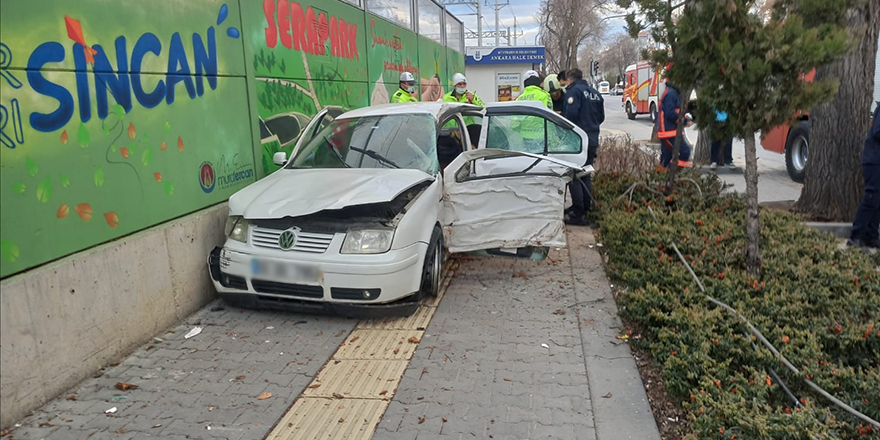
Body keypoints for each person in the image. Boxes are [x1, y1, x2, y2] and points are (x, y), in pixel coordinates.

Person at [562, 68, 605, 225]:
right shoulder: (595, 93)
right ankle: (584, 208)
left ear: (570, 79)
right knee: (585, 173)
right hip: (592, 139)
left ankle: (578, 214)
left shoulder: (574, 92)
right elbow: (601, 117)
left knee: (574, 175)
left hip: (577, 141)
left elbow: (570, 117)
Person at [849, 104, 880, 249]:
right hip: (874, 161)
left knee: (878, 201)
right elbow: (877, 131)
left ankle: (871, 236)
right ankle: (855, 237)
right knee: (871, 198)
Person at [657, 74, 694, 167]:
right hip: (669, 132)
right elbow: (670, 113)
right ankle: (672, 173)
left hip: (669, 131)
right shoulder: (671, 93)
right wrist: (685, 121)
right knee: (685, 151)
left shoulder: (673, 92)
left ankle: (666, 175)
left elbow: (676, 111)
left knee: (666, 158)